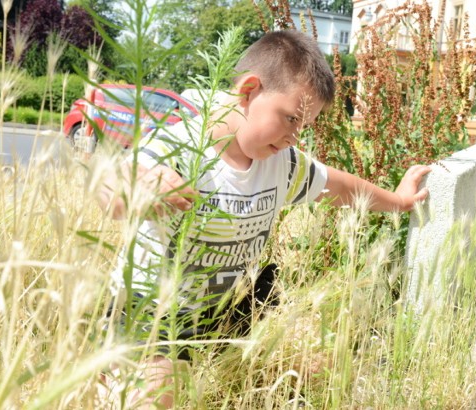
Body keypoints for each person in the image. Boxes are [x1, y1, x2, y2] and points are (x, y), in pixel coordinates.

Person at [97, 29, 431, 408]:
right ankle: (114, 379)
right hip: (153, 313)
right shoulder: (181, 148)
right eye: (289, 119)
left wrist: (400, 201)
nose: (294, 137)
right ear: (249, 91)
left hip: (223, 312)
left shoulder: (282, 165)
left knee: (320, 367)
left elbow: (340, 188)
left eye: (302, 127)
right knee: (155, 398)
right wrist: (130, 187)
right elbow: (113, 190)